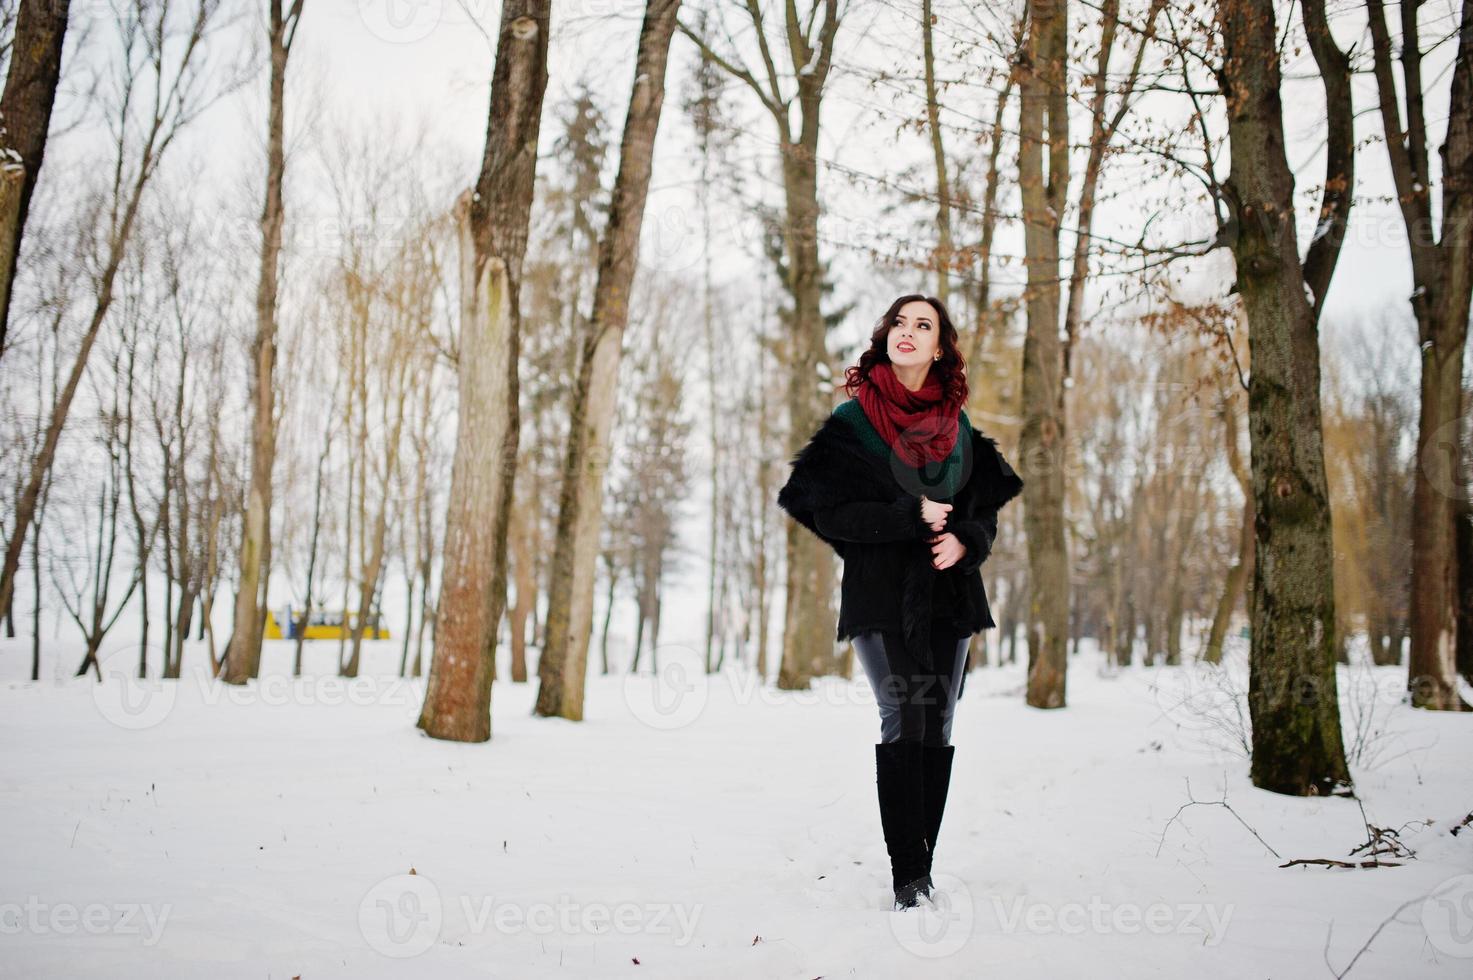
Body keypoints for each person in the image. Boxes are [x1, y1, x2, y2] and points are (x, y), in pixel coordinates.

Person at [775, 293, 1024, 911]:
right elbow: (823, 509)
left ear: (940, 347)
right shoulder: (852, 422)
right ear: (884, 334)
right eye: (898, 322)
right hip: (882, 592)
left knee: (937, 724)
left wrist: (968, 540)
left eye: (923, 325)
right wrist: (906, 515)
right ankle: (907, 878)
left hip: (951, 596)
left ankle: (924, 864)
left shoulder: (958, 427)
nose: (906, 332)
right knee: (902, 717)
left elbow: (983, 511)